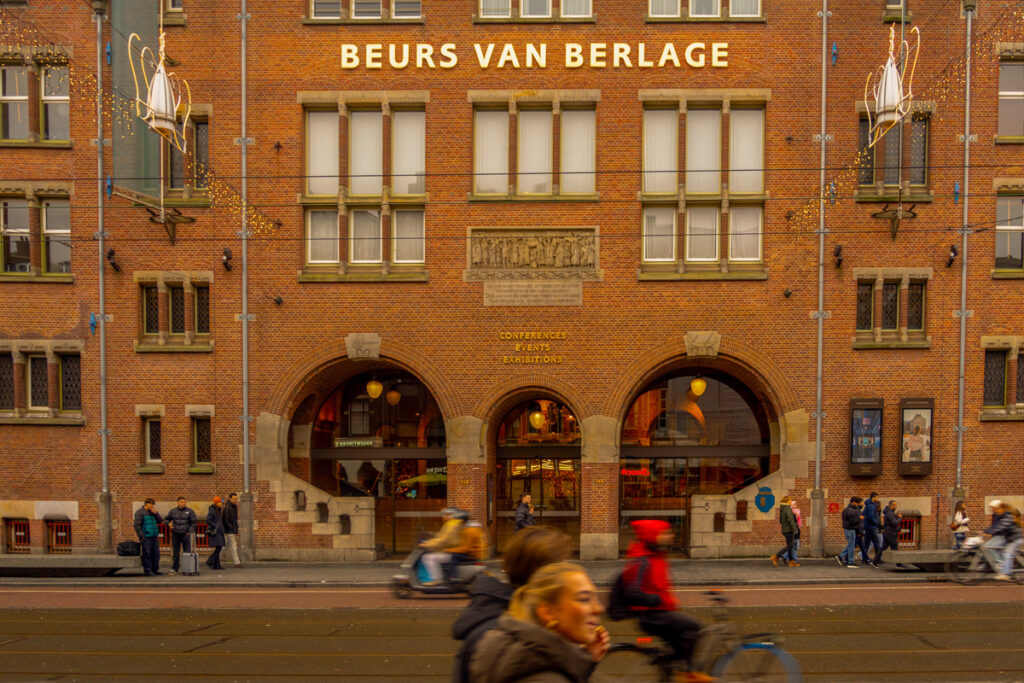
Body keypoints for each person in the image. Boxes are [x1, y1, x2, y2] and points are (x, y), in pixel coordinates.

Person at [452, 526, 572, 683]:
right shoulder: (510, 636)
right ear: (541, 574)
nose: (571, 576)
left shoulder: (528, 622)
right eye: (564, 569)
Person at [469, 562, 610, 683]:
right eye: (584, 599)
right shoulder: (544, 676)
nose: (599, 608)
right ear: (548, 612)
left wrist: (586, 660)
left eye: (595, 598)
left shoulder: (511, 651)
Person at [622, 520, 708, 682]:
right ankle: (686, 672)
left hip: (658, 613)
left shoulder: (656, 556)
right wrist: (657, 599)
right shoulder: (642, 560)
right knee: (693, 627)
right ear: (654, 536)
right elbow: (632, 592)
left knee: (677, 647)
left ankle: (670, 669)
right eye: (665, 533)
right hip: (651, 616)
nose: (671, 535)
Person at [981, 500, 1023, 581]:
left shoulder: (1008, 515)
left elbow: (1002, 525)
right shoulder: (998, 515)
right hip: (1008, 537)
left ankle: (1005, 573)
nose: (994, 510)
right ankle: (1002, 564)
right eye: (992, 509)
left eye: (995, 508)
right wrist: (986, 531)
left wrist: (988, 531)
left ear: (1001, 508)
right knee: (990, 547)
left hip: (1014, 538)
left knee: (1007, 554)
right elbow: (996, 526)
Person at [420, 507, 464, 585]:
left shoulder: (452, 525)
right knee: (432, 555)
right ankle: (442, 578)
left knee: (428, 558)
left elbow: (444, 540)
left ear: (450, 515)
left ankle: (437, 579)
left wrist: (428, 544)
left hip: (450, 552)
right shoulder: (453, 524)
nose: (443, 516)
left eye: (445, 514)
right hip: (450, 550)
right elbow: (441, 537)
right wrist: (431, 537)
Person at [443, 517, 487, 585]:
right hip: (479, 553)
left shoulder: (469, 530)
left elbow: (466, 548)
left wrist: (450, 550)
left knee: (453, 557)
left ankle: (454, 577)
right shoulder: (477, 529)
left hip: (473, 554)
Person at [164, 496, 197, 575]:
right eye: (182, 502)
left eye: (184, 502)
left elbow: (193, 523)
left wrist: (189, 531)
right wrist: (168, 524)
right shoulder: (173, 511)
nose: (183, 504)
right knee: (175, 552)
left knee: (187, 552)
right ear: (178, 502)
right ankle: (174, 568)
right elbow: (166, 519)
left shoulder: (190, 511)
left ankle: (188, 568)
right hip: (175, 534)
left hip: (186, 534)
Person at [133, 498, 163, 576]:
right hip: (146, 537)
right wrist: (142, 536)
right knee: (147, 553)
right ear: (146, 504)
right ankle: (148, 570)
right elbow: (137, 525)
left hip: (154, 536)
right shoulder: (140, 512)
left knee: (156, 553)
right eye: (151, 505)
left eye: (153, 505)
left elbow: (160, 521)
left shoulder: (152, 512)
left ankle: (155, 569)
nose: (152, 506)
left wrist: (156, 513)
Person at [770, 496, 799, 567]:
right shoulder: (787, 509)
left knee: (790, 546)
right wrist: (794, 528)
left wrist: (784, 526)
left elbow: (780, 520)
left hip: (785, 529)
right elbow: (790, 520)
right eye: (790, 500)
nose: (790, 501)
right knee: (790, 546)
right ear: (787, 501)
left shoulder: (782, 509)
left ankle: (791, 561)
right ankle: (776, 556)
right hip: (789, 530)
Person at [836, 496, 863, 568]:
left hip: (849, 529)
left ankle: (841, 557)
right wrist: (859, 518)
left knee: (851, 545)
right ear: (854, 502)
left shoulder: (849, 509)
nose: (857, 504)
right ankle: (850, 561)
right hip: (850, 529)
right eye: (857, 503)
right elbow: (852, 521)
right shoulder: (850, 510)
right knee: (851, 546)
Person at [861, 492, 883, 567]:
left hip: (867, 527)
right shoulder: (872, 506)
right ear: (873, 498)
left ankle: (864, 559)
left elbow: (864, 514)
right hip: (872, 527)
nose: (877, 499)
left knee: (866, 544)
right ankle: (877, 559)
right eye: (877, 497)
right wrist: (876, 522)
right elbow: (871, 516)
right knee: (877, 543)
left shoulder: (867, 505)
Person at [878, 499, 902, 565]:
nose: (896, 507)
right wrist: (899, 518)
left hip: (887, 532)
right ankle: (898, 564)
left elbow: (891, 522)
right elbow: (894, 523)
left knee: (884, 547)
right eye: (895, 505)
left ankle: (875, 561)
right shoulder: (890, 513)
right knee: (895, 548)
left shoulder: (889, 513)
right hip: (891, 533)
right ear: (892, 505)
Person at [205, 496, 226, 570]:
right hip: (216, 531)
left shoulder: (218, 510)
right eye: (219, 502)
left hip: (219, 531)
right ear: (216, 503)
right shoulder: (212, 511)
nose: (221, 504)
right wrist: (215, 525)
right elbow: (208, 520)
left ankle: (216, 565)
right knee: (219, 547)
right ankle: (210, 561)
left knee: (218, 547)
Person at [223, 492, 242, 568]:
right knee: (233, 547)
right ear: (230, 498)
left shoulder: (233, 507)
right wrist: (233, 528)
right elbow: (226, 520)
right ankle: (237, 563)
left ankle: (214, 559)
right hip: (229, 530)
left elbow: (234, 519)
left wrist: (235, 528)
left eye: (236, 499)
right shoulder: (228, 508)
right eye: (234, 499)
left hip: (230, 530)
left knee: (224, 546)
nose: (235, 500)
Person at [789, 499, 803, 564]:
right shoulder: (791, 513)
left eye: (796, 504)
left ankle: (785, 555)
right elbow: (793, 522)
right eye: (794, 504)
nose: (796, 505)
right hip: (794, 531)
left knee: (797, 545)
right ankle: (794, 559)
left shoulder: (797, 512)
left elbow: (798, 522)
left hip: (797, 530)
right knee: (795, 545)